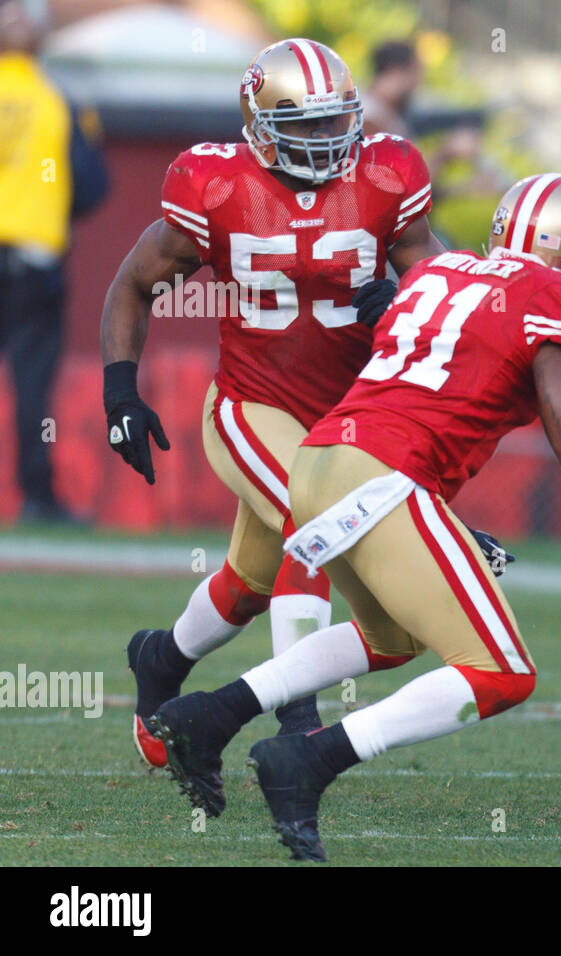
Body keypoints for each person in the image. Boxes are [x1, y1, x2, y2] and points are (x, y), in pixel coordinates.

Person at [147, 175, 561, 862]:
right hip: (381, 478)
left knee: (389, 637)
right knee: (501, 671)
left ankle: (210, 714)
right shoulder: (559, 298)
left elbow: (426, 381)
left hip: (319, 459)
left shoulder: (440, 271)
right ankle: (309, 760)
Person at [101, 39, 442, 767]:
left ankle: (161, 660)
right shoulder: (214, 185)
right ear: (258, 124)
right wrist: (119, 388)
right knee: (313, 517)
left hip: (346, 414)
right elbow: (132, 283)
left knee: (248, 586)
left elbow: (438, 286)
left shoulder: (388, 173)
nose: (327, 140)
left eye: (336, 121)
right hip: (251, 404)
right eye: (307, 125)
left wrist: (407, 301)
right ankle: (298, 725)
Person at [0, 0, 108, 523]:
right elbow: (90, 187)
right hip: (32, 258)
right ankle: (37, 497)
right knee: (30, 384)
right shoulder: (57, 101)